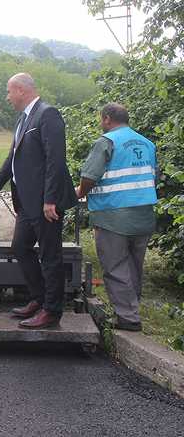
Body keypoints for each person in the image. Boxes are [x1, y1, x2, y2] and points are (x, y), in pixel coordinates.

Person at [0, 73, 77, 328]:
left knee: (49, 255)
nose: (7, 97)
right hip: (27, 203)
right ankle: (39, 299)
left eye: (9, 92)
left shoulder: (47, 114)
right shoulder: (24, 118)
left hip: (45, 203)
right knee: (20, 247)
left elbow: (56, 160)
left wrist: (50, 199)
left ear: (20, 90)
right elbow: (13, 158)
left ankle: (52, 311)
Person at [75, 103, 157, 331]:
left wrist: (80, 192)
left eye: (102, 119)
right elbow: (152, 177)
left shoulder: (106, 142)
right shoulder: (148, 144)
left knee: (116, 266)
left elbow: (89, 176)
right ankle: (131, 309)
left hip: (113, 216)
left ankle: (128, 319)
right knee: (133, 266)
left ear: (107, 119)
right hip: (144, 215)